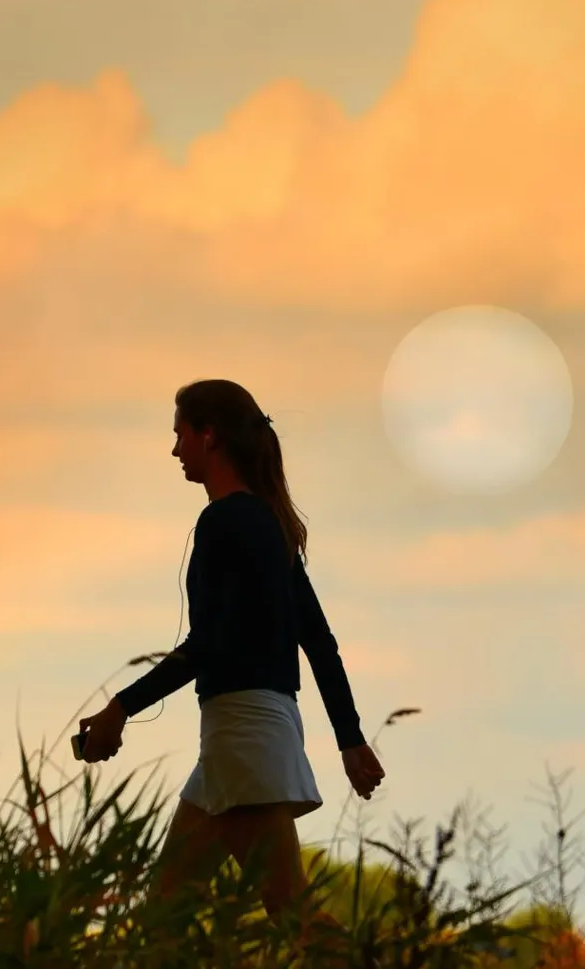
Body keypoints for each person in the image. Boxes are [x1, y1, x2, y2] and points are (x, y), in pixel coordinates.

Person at [76, 378, 387, 950]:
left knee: (294, 917)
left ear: (209, 435)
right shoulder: (269, 527)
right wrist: (350, 737)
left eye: (180, 435)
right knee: (161, 919)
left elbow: (211, 642)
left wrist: (122, 707)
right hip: (238, 738)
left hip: (244, 734)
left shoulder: (226, 523)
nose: (175, 450)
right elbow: (318, 640)